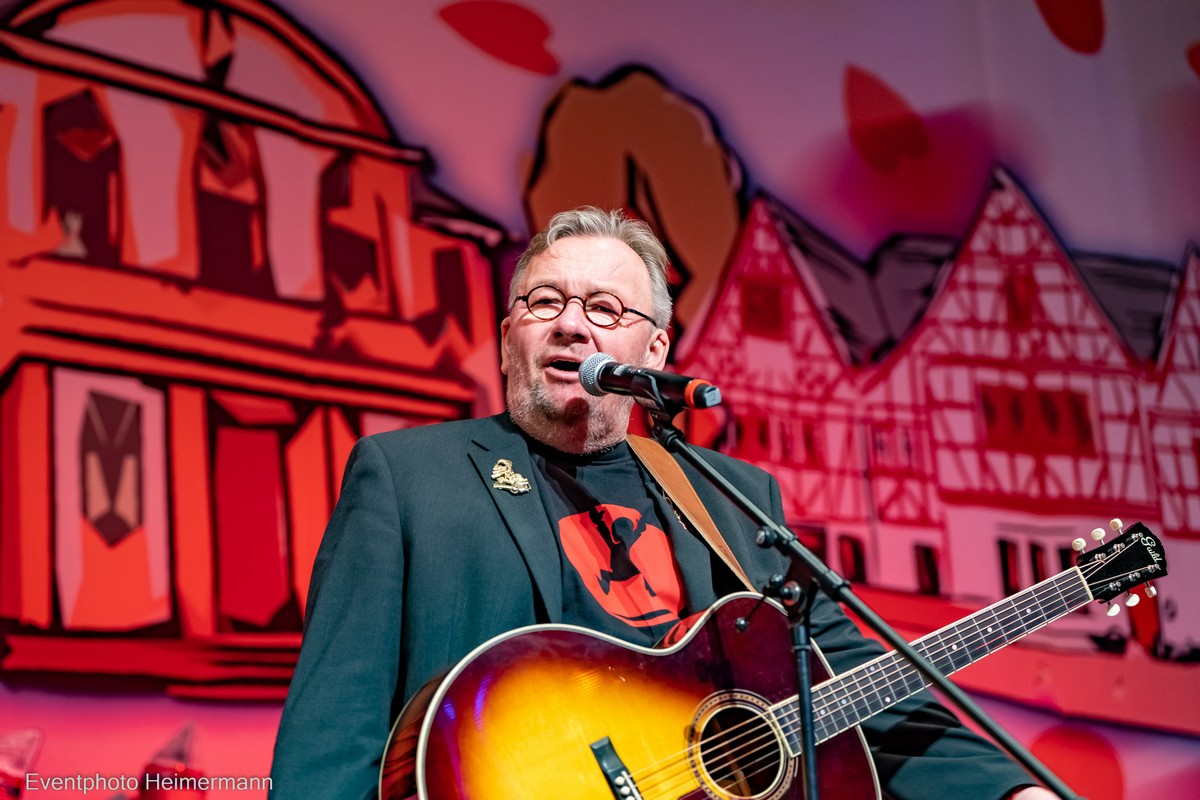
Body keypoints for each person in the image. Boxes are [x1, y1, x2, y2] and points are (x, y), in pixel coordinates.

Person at [269, 207, 1057, 800]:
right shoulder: (407, 477)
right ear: (509, 336)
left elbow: (861, 685)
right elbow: (332, 730)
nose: (571, 324)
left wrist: (1010, 790)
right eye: (544, 302)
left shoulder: (734, 499)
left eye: (604, 309)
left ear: (654, 351)